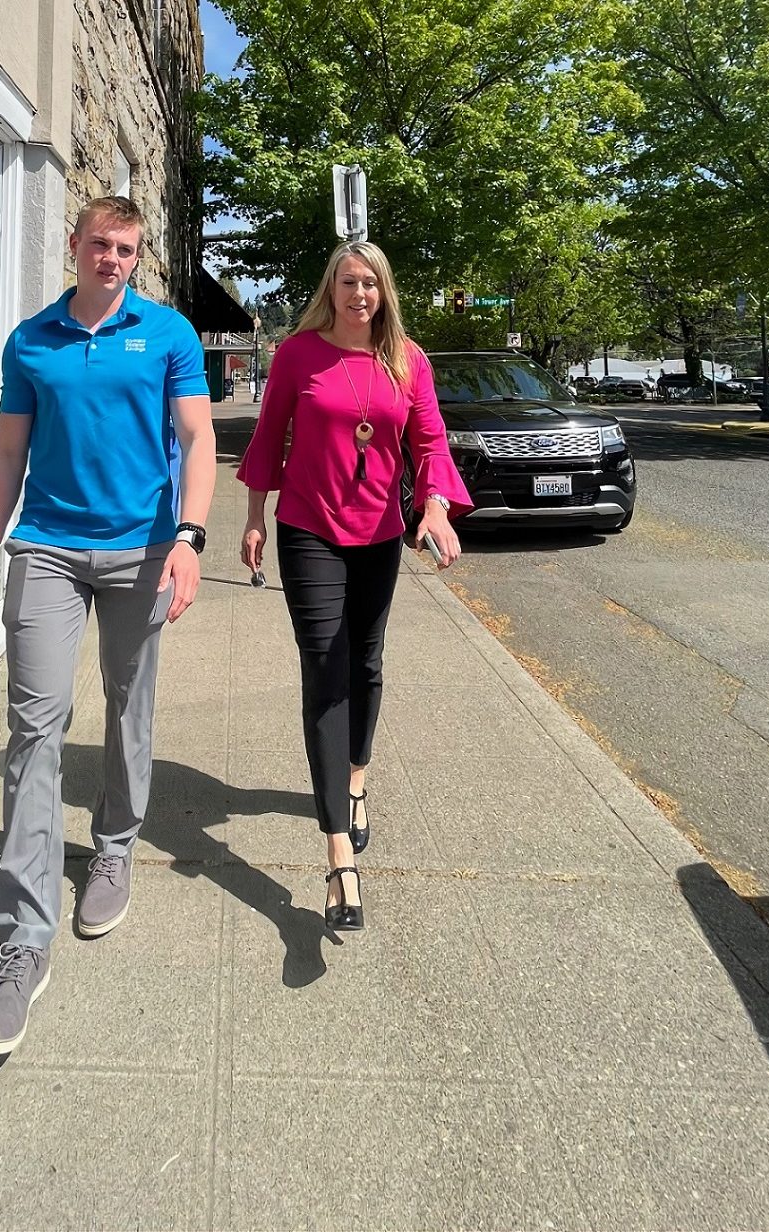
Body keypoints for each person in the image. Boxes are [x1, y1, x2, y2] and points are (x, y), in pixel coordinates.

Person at [0, 196, 216, 1055]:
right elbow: (6, 453)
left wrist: (189, 538)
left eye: (127, 248)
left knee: (128, 705)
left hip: (143, 550)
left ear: (138, 258)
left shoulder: (169, 334)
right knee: (35, 726)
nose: (113, 258)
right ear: (73, 246)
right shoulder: (32, 339)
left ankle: (113, 845)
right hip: (48, 549)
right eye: (100, 244)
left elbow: (198, 438)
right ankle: (22, 945)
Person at [237, 241, 471, 931]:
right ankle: (338, 852)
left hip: (376, 535)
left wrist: (433, 506)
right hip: (309, 528)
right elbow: (268, 436)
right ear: (330, 288)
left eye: (371, 283)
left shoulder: (410, 359)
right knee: (325, 670)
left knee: (366, 662)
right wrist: (253, 518)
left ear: (384, 292)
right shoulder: (298, 355)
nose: (360, 293)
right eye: (348, 281)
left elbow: (429, 443)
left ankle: (357, 777)